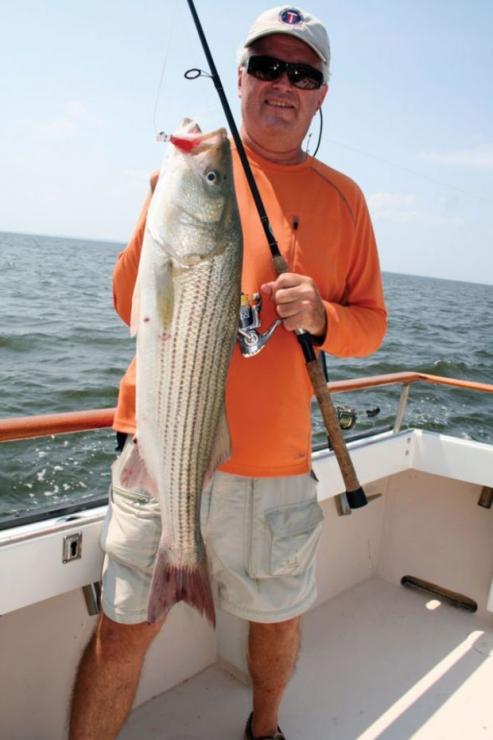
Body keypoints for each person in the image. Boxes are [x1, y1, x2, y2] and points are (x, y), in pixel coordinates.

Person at [69, 6, 387, 739]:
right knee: (122, 629)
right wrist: (163, 203)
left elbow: (370, 326)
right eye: (268, 67)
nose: (283, 83)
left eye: (301, 73)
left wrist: (324, 319)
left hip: (273, 463)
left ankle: (264, 729)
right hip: (157, 444)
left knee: (275, 622)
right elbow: (128, 307)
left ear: (320, 94)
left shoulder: (346, 199)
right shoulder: (187, 177)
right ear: (239, 76)